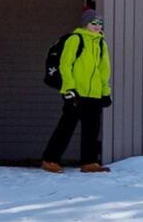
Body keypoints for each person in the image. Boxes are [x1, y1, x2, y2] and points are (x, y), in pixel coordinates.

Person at [40, 9, 112, 173]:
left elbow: (104, 70)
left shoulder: (101, 43)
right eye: (94, 23)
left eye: (100, 23)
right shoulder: (76, 39)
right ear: (86, 24)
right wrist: (69, 88)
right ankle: (50, 159)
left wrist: (105, 92)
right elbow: (65, 65)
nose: (97, 26)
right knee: (66, 127)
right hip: (76, 93)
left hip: (94, 94)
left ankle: (89, 162)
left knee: (92, 129)